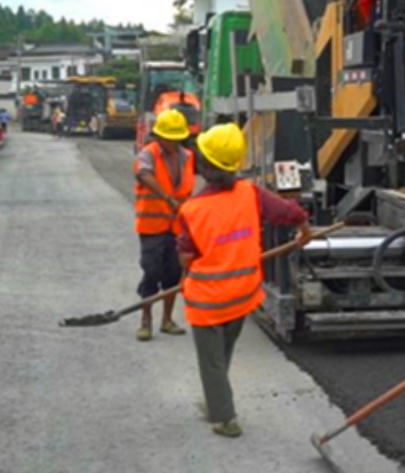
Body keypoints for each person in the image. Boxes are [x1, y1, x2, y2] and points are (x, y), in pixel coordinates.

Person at [176, 123, 312, 437]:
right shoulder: (250, 193)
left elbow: (185, 257)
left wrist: (192, 271)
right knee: (222, 353)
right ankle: (216, 400)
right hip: (241, 294)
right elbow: (288, 212)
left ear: (205, 166)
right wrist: (305, 230)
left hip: (207, 300)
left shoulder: (192, 209)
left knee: (211, 361)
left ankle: (225, 418)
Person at [133, 109, 196, 342]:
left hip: (177, 227)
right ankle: (145, 321)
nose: (173, 142)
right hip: (151, 226)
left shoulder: (187, 157)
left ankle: (167, 320)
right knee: (152, 272)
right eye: (169, 138)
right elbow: (144, 175)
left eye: (176, 138)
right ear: (159, 136)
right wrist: (166, 197)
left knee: (173, 274)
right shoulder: (147, 155)